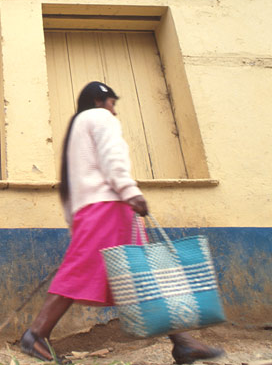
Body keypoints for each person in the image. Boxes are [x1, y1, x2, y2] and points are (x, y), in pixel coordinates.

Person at [19, 82, 224, 364]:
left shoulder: (76, 129)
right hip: (110, 208)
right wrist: (131, 192)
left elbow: (70, 186)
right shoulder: (100, 117)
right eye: (112, 103)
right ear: (98, 101)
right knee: (92, 270)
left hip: (88, 211)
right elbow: (113, 159)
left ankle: (183, 342)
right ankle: (36, 334)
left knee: (140, 275)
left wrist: (74, 220)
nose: (114, 110)